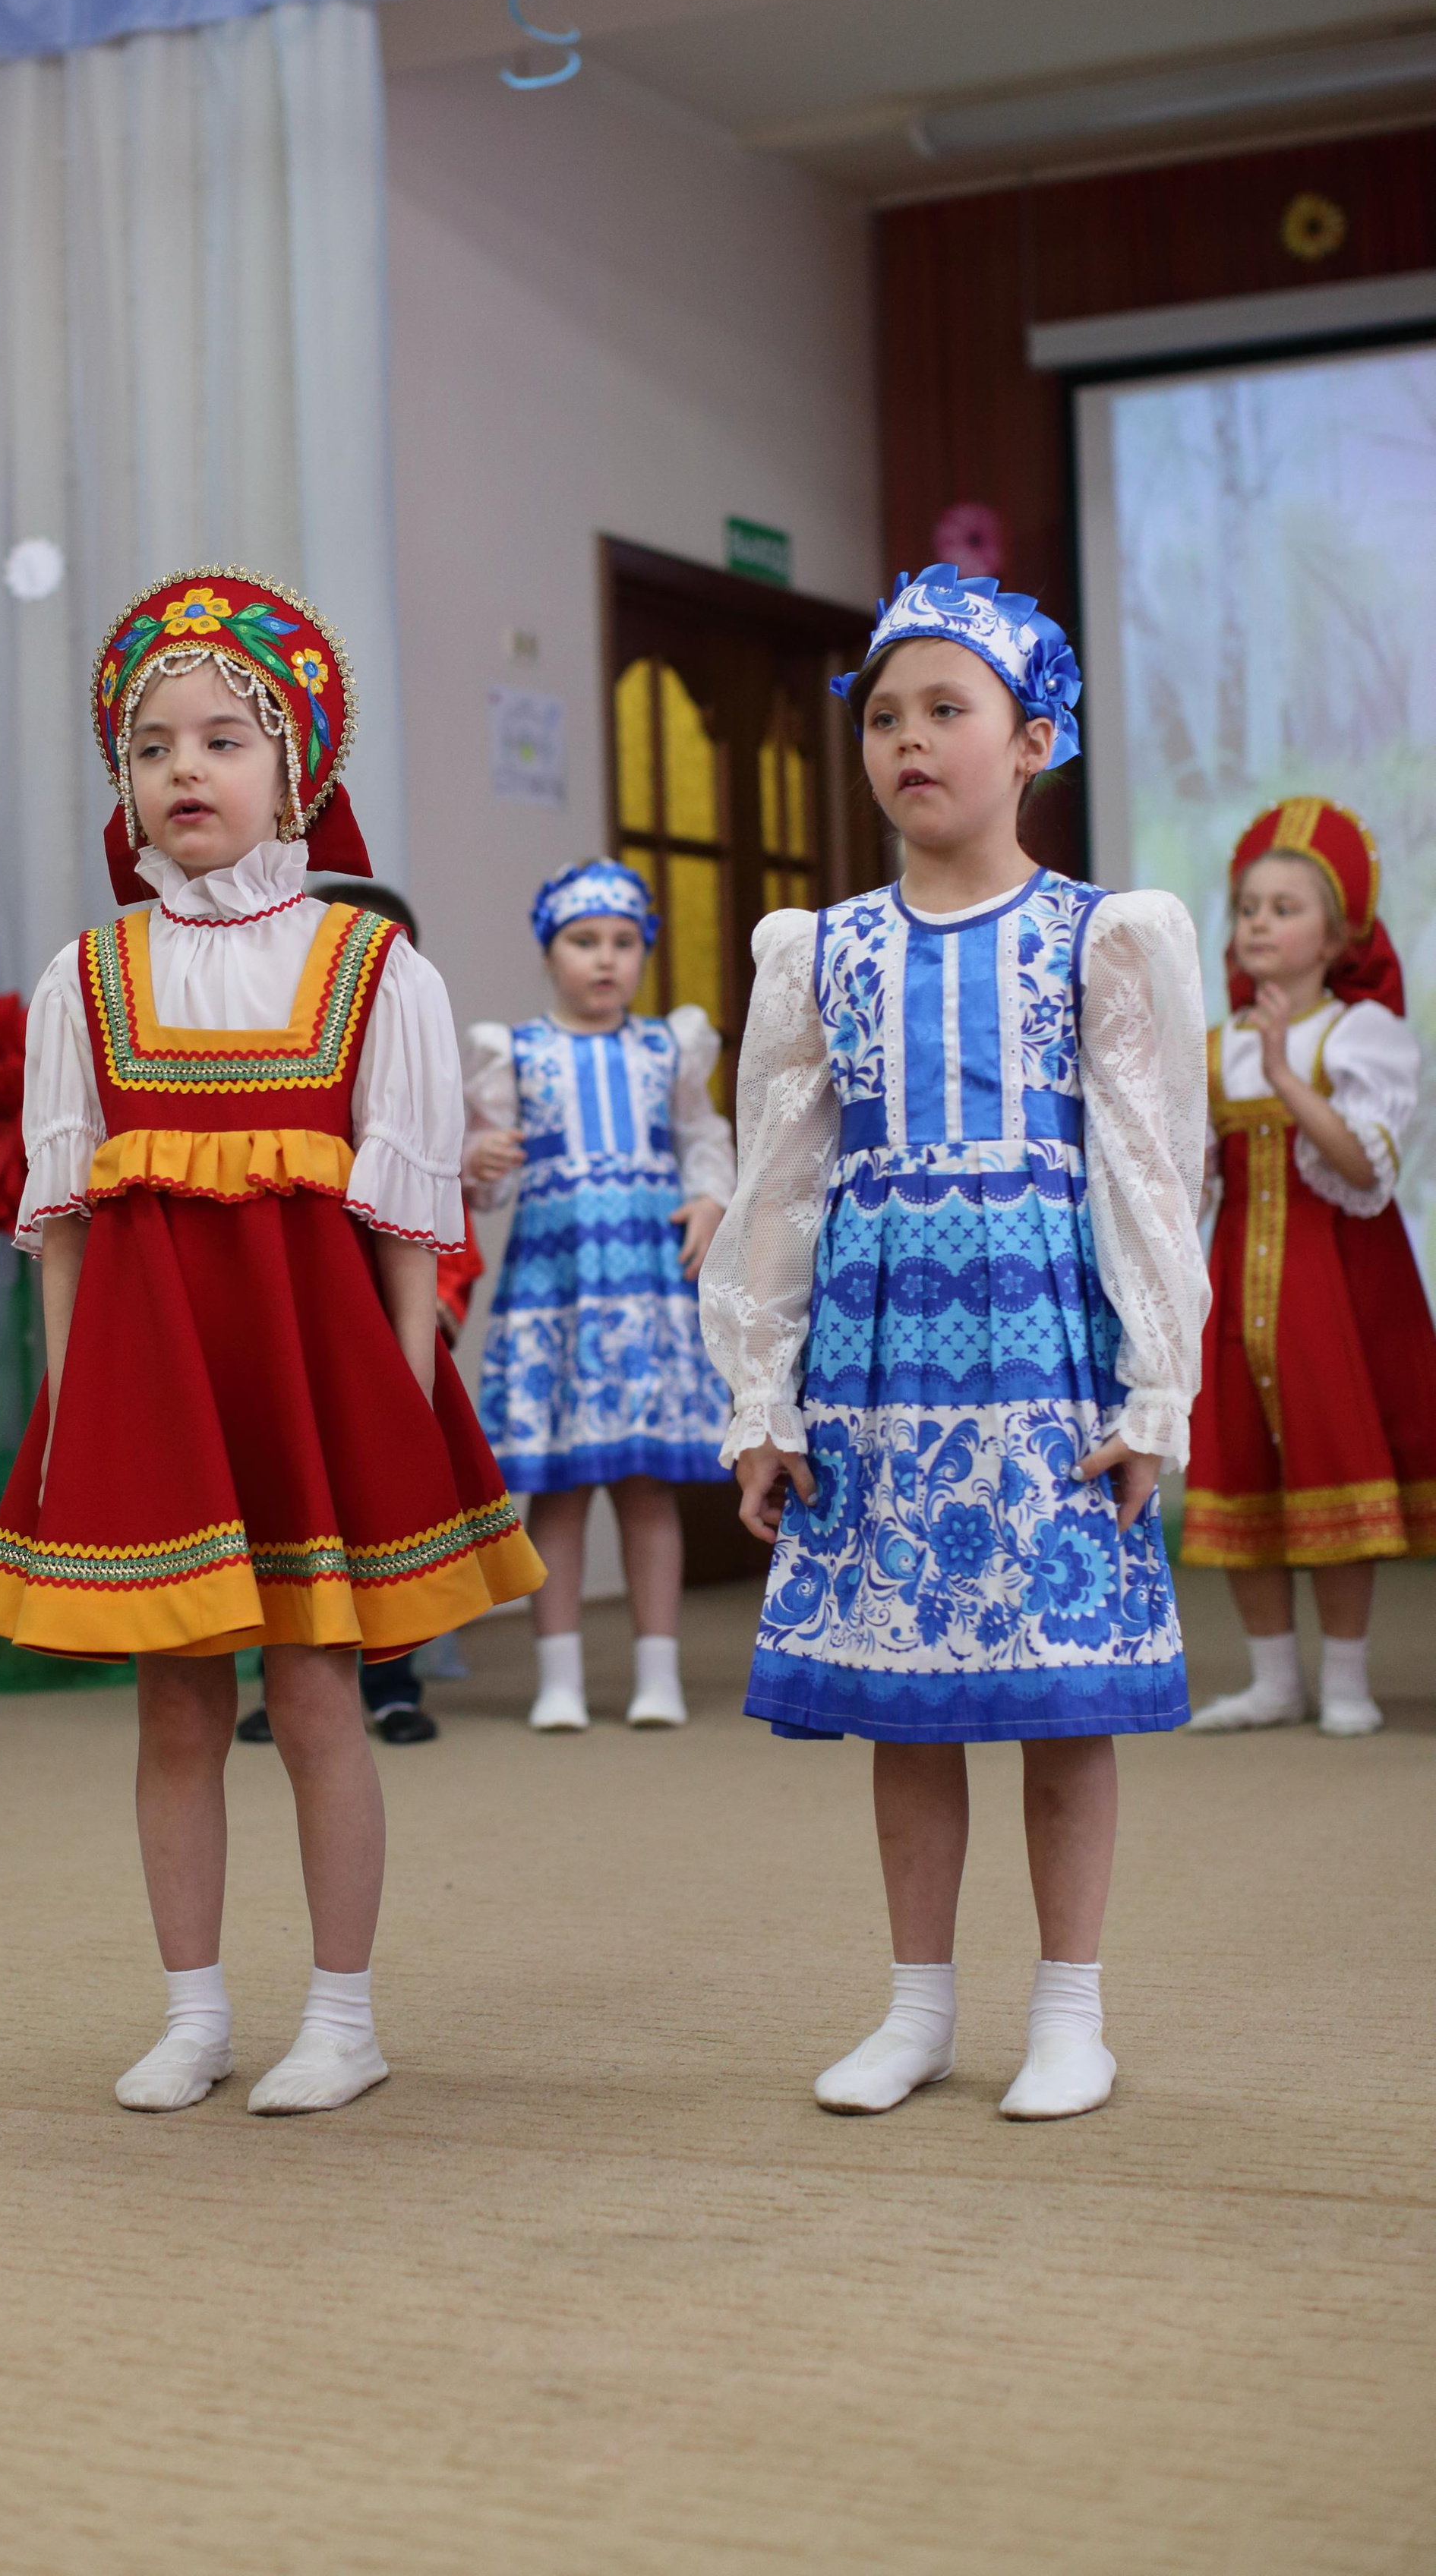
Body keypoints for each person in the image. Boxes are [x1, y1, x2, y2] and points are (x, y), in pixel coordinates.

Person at [0, 572, 542, 2117]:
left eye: (223, 739)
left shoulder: (372, 973)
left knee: (311, 1692)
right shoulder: (84, 982)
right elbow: (64, 1224)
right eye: (150, 748)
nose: (183, 772)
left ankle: (340, 2015)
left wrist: (409, 1400)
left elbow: (413, 1219)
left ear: (297, 770)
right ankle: (193, 2007)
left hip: (312, 1388)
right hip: (153, 1392)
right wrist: (74, 1403)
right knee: (169, 1700)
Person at [700, 566, 1208, 2120]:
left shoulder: (1100, 934)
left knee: (1056, 1693)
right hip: (878, 1365)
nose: (906, 739)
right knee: (901, 1696)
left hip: (1043, 1358)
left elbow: (1145, 1164)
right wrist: (758, 1398)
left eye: (945, 709)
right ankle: (916, 2002)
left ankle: (1069, 2009)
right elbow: (779, 1180)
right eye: (881, 715)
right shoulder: (820, 951)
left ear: (1031, 737)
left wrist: (1153, 1389)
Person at [1184, 801, 1436, 1737]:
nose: (1257, 923)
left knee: (1334, 1456)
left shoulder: (1360, 1037)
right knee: (1239, 1461)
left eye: (1283, 908)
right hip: (1233, 1283)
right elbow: (1194, 1180)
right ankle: (1272, 1680)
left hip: (1331, 1286)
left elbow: (1367, 1165)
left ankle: (1344, 1678)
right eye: (1247, 906)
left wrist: (1290, 1076)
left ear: (1338, 937)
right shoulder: (1211, 1049)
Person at [463, 861, 734, 1733]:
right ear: (551, 954)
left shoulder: (668, 1047)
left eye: (623, 943)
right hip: (558, 1289)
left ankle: (659, 1671)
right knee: (562, 1491)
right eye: (585, 942)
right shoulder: (517, 1052)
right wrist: (480, 1166)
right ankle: (559, 1677)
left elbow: (703, 1136)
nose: (605, 960)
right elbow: (486, 1178)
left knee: (650, 1486)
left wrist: (710, 1196)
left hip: (646, 1293)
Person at [234, 872, 475, 1750]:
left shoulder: (416, 1094)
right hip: (302, 1335)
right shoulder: (294, 1083)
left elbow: (447, 1235)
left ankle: (395, 1679)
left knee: (376, 1515)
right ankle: (281, 1673)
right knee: (292, 1512)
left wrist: (436, 1316)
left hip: (378, 1338)